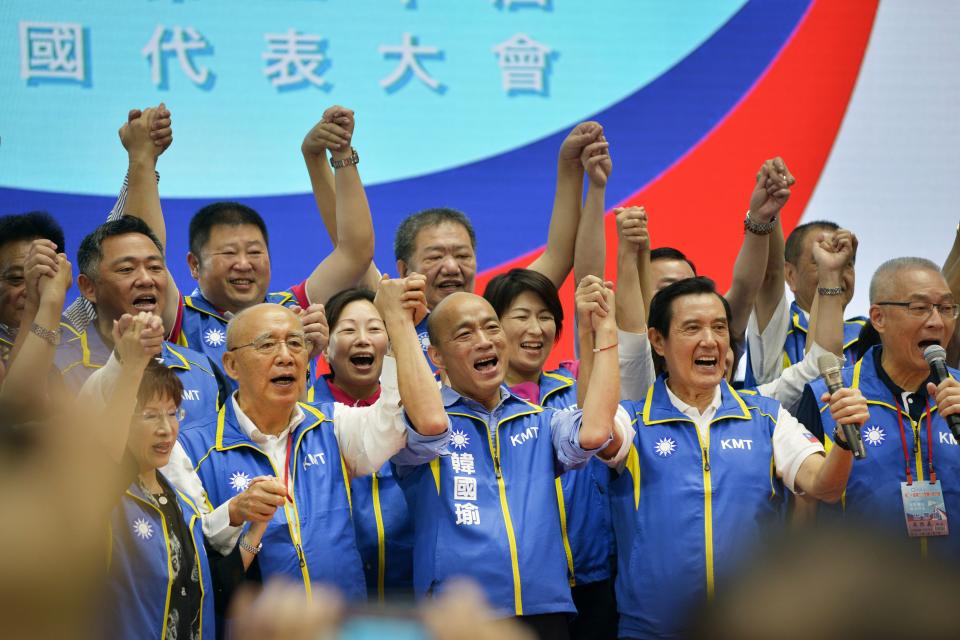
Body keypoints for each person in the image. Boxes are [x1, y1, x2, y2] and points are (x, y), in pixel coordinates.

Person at [605, 276, 868, 639]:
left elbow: (824, 486)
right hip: (652, 630)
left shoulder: (766, 416)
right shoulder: (630, 420)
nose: (710, 340)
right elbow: (593, 438)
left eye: (719, 327)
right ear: (658, 341)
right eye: (692, 328)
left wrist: (842, 438)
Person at [178, 275, 448, 599]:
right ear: (231, 364)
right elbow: (184, 556)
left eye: (295, 343)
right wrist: (234, 513)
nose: (285, 356)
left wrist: (396, 333)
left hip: (344, 628)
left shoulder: (332, 424)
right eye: (266, 344)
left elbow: (402, 421)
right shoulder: (192, 449)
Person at [392, 287, 631, 640]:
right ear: (437, 357)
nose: (485, 341)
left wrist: (606, 333)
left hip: (544, 610)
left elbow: (595, 432)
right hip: (460, 619)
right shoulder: (422, 424)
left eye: (492, 328)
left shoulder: (539, 420)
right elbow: (429, 424)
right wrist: (398, 322)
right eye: (465, 334)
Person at [483, 268, 618, 639]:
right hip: (523, 592)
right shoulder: (478, 408)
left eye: (545, 318)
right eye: (522, 316)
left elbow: (594, 424)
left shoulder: (574, 384)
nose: (536, 329)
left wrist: (591, 326)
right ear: (492, 327)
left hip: (593, 578)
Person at [796, 257, 960, 558]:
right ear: (878, 318)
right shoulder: (829, 397)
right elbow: (803, 509)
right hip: (863, 597)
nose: (937, 321)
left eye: (947, 308)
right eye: (920, 308)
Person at [105, 346, 266, 639]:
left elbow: (221, 589)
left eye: (172, 413)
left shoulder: (184, 500)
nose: (166, 429)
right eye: (149, 415)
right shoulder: (107, 498)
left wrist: (257, 527)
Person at [307, 286, 415, 601]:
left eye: (375, 328)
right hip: (330, 604)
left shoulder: (413, 409)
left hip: (409, 602)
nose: (363, 339)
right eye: (349, 329)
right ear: (325, 348)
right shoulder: (305, 416)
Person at [744, 169, 866, 386]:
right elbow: (770, 275)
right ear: (790, 275)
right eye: (820, 261)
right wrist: (766, 215)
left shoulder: (869, 334)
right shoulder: (779, 329)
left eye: (846, 262)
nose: (835, 270)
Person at [0, 211, 66, 363]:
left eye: (41, 276)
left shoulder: (76, 337)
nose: (29, 290)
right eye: (16, 278)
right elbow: (17, 387)